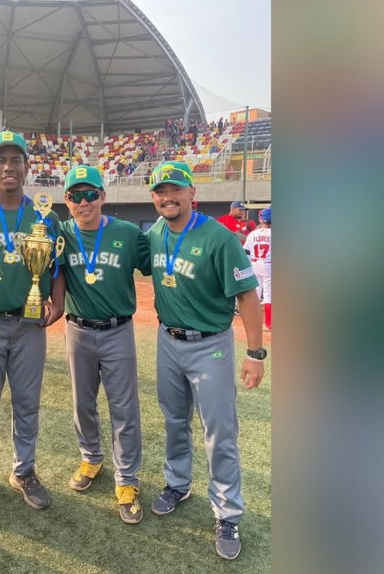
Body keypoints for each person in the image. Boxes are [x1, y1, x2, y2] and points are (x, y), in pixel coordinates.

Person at [145, 160, 267, 560]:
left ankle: (227, 511)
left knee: (219, 432)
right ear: (154, 197)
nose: (168, 196)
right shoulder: (157, 232)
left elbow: (247, 295)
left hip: (210, 345)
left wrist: (254, 353)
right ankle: (177, 484)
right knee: (173, 420)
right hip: (167, 340)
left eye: (176, 189)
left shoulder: (219, 237)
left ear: (191, 193)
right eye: (161, 191)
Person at [0, 130, 66, 518]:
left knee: (26, 403)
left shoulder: (45, 216)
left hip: (29, 326)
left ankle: (24, 471)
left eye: (15, 160)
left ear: (26, 167)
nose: (8, 167)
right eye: (1, 160)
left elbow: (55, 267)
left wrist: (58, 302)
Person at [56, 165, 151, 524]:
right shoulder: (60, 232)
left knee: (124, 408)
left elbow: (156, 263)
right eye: (75, 196)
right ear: (66, 200)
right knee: (83, 403)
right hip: (77, 330)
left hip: (117, 330)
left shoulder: (126, 233)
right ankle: (91, 457)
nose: (84, 202)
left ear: (103, 196)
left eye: (90, 194)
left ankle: (126, 480)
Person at [243, 208, 272, 331]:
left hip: (254, 264)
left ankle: (251, 323)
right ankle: (268, 324)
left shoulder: (252, 234)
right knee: (268, 294)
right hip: (269, 264)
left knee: (255, 293)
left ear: (260, 219)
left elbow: (246, 252)